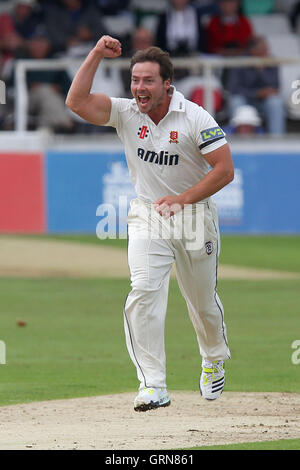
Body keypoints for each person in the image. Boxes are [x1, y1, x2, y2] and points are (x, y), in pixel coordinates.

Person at [66, 35, 234, 411]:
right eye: (135, 80)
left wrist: (183, 199)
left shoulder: (194, 117)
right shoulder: (126, 112)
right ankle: (153, 385)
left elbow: (225, 170)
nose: (140, 89)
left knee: (202, 302)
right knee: (143, 290)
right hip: (148, 214)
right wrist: (95, 53)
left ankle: (212, 357)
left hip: (193, 217)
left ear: (166, 84)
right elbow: (75, 102)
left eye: (148, 81)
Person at [226, 36, 286, 135]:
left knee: (276, 103)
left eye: (267, 49)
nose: (267, 53)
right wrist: (256, 93)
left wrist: (261, 71)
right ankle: (234, 138)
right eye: (263, 50)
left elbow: (276, 86)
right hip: (245, 99)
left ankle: (277, 139)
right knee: (235, 101)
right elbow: (233, 88)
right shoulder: (239, 61)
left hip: (264, 102)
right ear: (252, 50)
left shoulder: (271, 61)